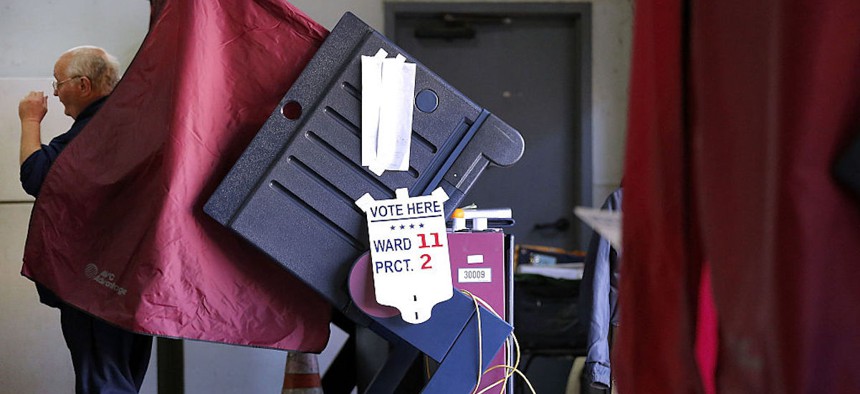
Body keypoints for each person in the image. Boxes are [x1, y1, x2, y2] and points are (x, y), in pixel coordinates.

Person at [18, 46, 152, 394]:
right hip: (135, 279)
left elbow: (36, 175)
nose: (54, 92)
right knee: (124, 376)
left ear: (83, 85)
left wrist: (30, 120)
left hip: (94, 284)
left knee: (102, 381)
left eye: (58, 83)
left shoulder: (94, 131)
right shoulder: (136, 123)